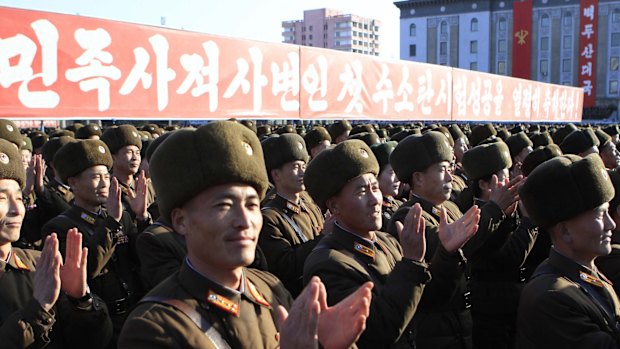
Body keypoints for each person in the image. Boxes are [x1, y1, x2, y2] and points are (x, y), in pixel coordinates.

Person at [119, 121, 373, 349]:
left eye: (252, 205)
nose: (244, 221)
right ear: (181, 221)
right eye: (223, 206)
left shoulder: (269, 288)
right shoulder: (154, 328)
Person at [303, 138, 480, 348]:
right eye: (361, 191)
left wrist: (447, 254)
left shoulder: (387, 242)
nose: (375, 199)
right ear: (334, 205)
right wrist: (411, 264)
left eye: (375, 188)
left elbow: (428, 300)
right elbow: (378, 330)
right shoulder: (328, 263)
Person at [0, 138, 112, 348]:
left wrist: (81, 302)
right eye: (1, 199)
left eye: (19, 198)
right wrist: (37, 309)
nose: (17, 209)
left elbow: (93, 340)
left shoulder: (40, 263)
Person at [41, 139, 147, 346]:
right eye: (95, 177)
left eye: (106, 176)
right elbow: (87, 270)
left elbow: (141, 256)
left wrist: (141, 218)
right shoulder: (61, 227)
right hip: (98, 323)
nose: (104, 184)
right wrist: (111, 224)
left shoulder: (118, 215)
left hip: (133, 313)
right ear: (73, 183)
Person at [387, 131, 481, 349]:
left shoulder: (448, 207)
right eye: (441, 170)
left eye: (450, 169)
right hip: (434, 329)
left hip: (460, 323)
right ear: (418, 178)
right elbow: (460, 247)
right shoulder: (409, 216)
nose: (449, 177)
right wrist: (495, 210)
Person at [516, 154, 620, 348]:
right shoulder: (551, 297)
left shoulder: (585, 273)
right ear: (564, 231)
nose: (611, 224)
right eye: (599, 215)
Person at [460, 141, 536, 349]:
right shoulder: (476, 216)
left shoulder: (502, 209)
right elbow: (509, 258)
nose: (510, 182)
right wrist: (529, 223)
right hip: (491, 308)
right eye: (502, 177)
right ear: (484, 185)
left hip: (509, 303)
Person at [259, 133, 325, 297]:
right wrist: (324, 237)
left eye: (304, 166)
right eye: (296, 167)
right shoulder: (270, 217)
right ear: (276, 175)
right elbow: (286, 267)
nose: (303, 172)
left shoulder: (310, 205)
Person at [370, 141, 402, 232]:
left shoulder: (397, 204)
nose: (397, 178)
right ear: (376, 176)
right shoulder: (373, 211)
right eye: (391, 172)